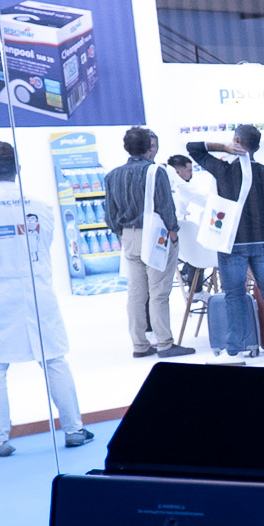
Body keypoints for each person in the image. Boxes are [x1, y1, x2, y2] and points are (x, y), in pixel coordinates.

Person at [0, 141, 93, 456]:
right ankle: (74, 429)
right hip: (37, 292)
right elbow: (46, 243)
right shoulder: (40, 204)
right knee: (54, 359)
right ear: (18, 169)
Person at [186, 125, 264, 363]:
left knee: (234, 295)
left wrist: (223, 147)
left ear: (236, 140)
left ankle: (234, 351)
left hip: (233, 243)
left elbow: (193, 148)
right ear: (258, 146)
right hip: (263, 240)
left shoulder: (224, 170)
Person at [106, 127, 192, 359]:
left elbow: (110, 214)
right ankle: (164, 343)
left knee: (136, 293)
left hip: (128, 236)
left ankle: (140, 344)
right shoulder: (155, 172)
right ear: (149, 147)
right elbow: (165, 206)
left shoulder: (113, 175)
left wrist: (122, 234)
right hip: (156, 236)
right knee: (159, 292)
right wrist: (173, 232)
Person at [165, 153, 219, 298]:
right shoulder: (181, 186)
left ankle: (188, 275)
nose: (191, 174)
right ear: (178, 172)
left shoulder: (170, 182)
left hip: (174, 238)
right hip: (178, 240)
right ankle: (196, 289)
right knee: (200, 242)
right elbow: (204, 199)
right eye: (189, 171)